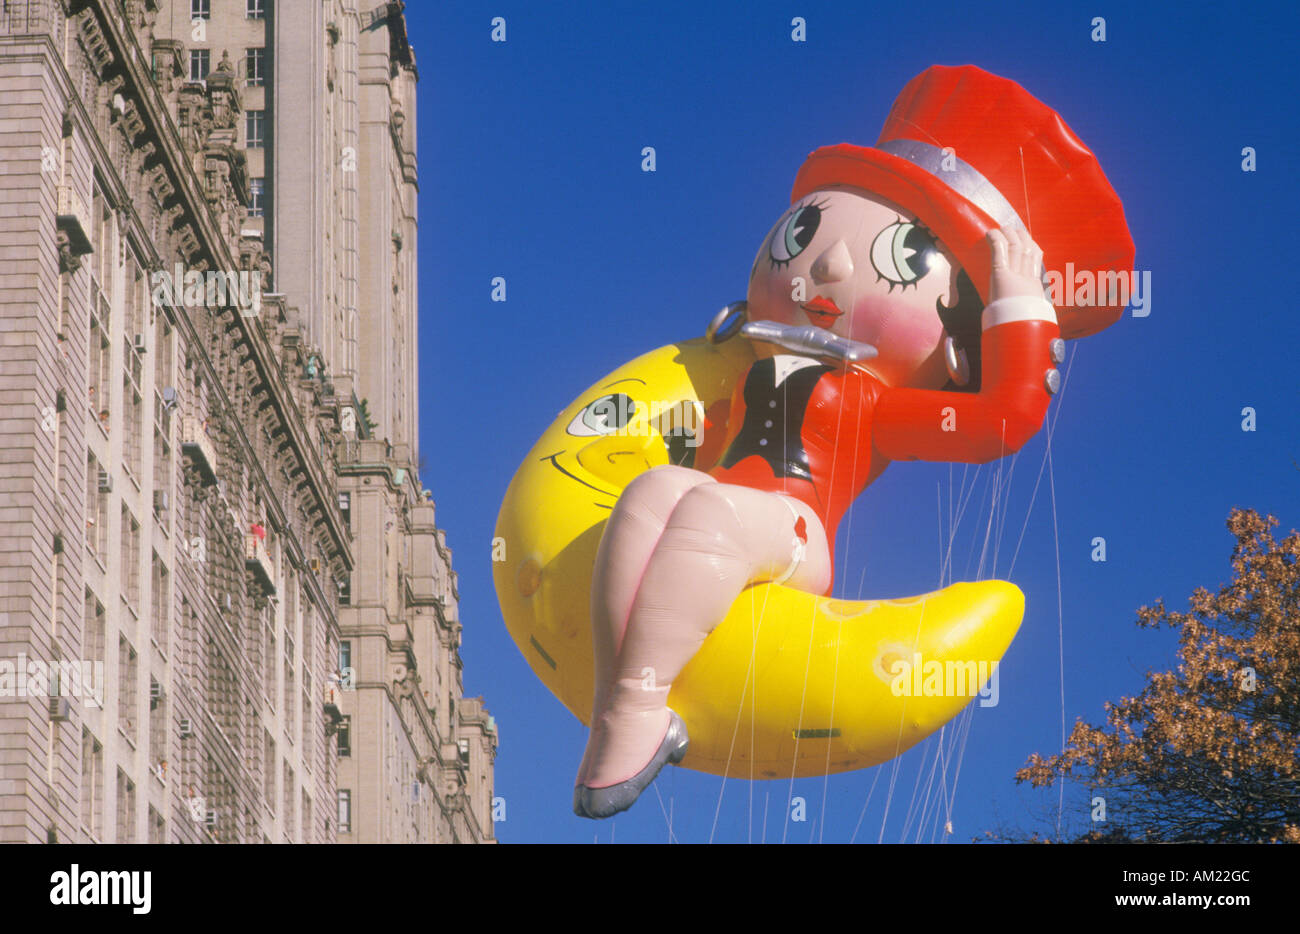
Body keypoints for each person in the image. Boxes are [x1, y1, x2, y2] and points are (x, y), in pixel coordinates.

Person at [572, 65, 1134, 819]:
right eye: (805, 231)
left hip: (794, 534)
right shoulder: (748, 359)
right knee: (653, 495)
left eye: (901, 256)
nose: (828, 263)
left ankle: (636, 707)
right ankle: (622, 702)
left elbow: (1003, 420)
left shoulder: (877, 405)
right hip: (721, 495)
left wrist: (1021, 308)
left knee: (709, 517)